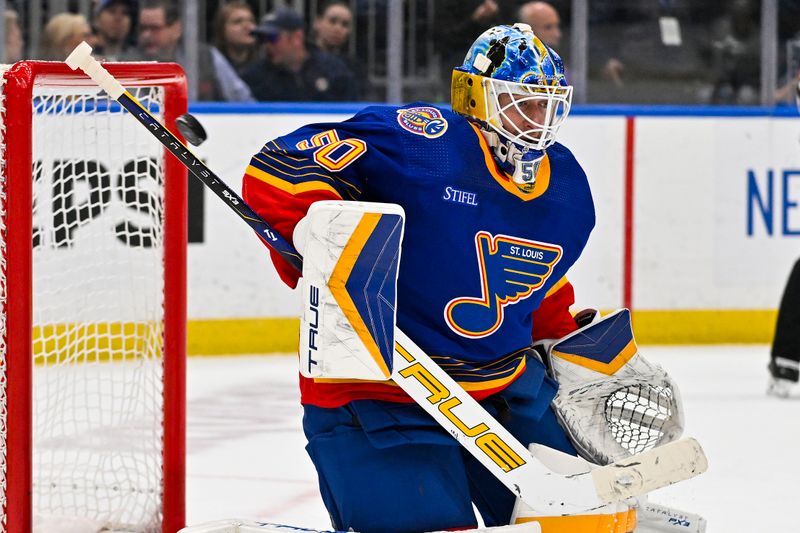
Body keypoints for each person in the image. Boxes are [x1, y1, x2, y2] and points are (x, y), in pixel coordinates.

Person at [241, 24, 634, 533]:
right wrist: (328, 245)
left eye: (547, 105)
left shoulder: (566, 186)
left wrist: (567, 335)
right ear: (475, 96)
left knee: (590, 521)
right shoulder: (424, 141)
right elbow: (277, 172)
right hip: (380, 395)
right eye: (521, 102)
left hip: (504, 394)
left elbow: (534, 281)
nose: (536, 120)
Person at [129, 0, 253, 102]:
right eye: (143, 28)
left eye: (154, 28)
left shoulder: (207, 56)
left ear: (176, 29)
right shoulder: (128, 63)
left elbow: (243, 100)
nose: (146, 35)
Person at [241, 8, 357, 102]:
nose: (267, 45)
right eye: (263, 39)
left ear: (297, 37)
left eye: (273, 38)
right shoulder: (254, 77)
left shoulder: (334, 69)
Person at [311, 0, 366, 98]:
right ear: (317, 22)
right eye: (332, 21)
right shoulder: (303, 60)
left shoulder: (354, 67)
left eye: (345, 24)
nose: (338, 28)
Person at [212, 0, 259, 76]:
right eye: (237, 22)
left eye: (251, 21)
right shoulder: (212, 65)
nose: (247, 26)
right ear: (222, 30)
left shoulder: (265, 67)